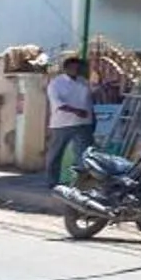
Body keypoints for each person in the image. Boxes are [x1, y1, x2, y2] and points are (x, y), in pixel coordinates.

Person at [43, 56, 94, 186]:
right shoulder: (56, 83)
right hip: (62, 124)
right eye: (74, 68)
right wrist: (76, 111)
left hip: (83, 123)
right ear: (66, 69)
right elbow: (58, 103)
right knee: (55, 154)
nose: (77, 70)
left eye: (79, 68)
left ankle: (80, 183)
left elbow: (89, 101)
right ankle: (52, 181)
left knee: (84, 155)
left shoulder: (84, 82)